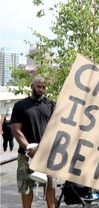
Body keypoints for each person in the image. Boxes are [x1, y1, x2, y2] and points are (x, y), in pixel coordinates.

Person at [11, 76, 56, 208]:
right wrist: (29, 149)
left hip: (47, 156)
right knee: (26, 189)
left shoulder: (52, 105)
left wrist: (43, 150)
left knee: (51, 188)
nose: (41, 89)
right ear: (32, 86)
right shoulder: (20, 106)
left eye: (43, 87)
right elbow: (16, 130)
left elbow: (56, 130)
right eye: (38, 86)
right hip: (25, 156)